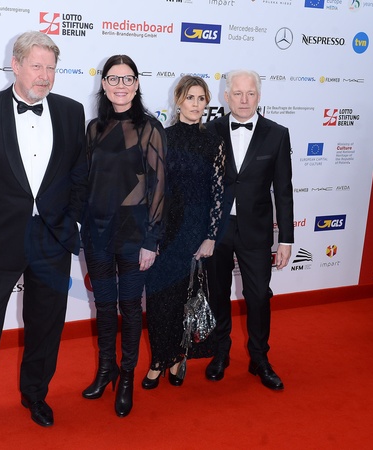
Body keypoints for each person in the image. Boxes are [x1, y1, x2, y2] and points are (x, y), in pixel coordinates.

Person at [0, 31, 87, 436]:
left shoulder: (71, 111)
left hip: (52, 238)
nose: (44, 76)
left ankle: (35, 394)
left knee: (47, 322)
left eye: (51, 68)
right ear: (16, 65)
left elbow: (80, 174)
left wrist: (72, 222)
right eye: (36, 66)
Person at [81, 54, 166, 417]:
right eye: (113, 79)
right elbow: (86, 182)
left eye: (127, 78)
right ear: (104, 84)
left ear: (136, 83)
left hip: (134, 233)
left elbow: (159, 187)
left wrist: (151, 240)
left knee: (130, 308)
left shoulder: (150, 128)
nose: (121, 85)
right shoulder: (94, 129)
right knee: (103, 306)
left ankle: (127, 375)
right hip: (97, 232)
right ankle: (106, 369)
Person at [204, 69, 294, 391]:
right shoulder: (210, 130)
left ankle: (259, 358)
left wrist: (286, 238)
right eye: (238, 93)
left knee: (258, 296)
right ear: (226, 96)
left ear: (259, 96)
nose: (244, 100)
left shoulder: (277, 134)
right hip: (217, 229)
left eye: (250, 93)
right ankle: (221, 352)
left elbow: (283, 190)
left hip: (256, 229)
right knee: (218, 293)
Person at [143, 75, 225, 389]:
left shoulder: (214, 143)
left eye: (201, 99)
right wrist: (151, 236)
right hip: (165, 231)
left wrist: (211, 236)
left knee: (184, 300)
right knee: (159, 299)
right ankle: (157, 360)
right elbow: (152, 191)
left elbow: (218, 193)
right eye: (190, 97)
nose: (195, 104)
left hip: (195, 233)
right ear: (178, 100)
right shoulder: (162, 137)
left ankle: (178, 357)